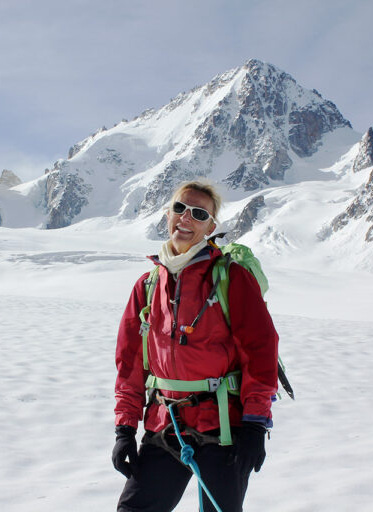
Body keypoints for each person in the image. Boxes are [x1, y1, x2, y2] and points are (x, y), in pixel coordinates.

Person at [112, 180, 279, 512]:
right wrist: (125, 428)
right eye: (179, 208)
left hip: (224, 430)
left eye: (198, 213)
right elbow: (129, 366)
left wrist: (255, 423)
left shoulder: (230, 277)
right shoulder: (147, 286)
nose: (185, 218)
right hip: (165, 425)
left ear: (210, 227)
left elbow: (260, 351)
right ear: (168, 214)